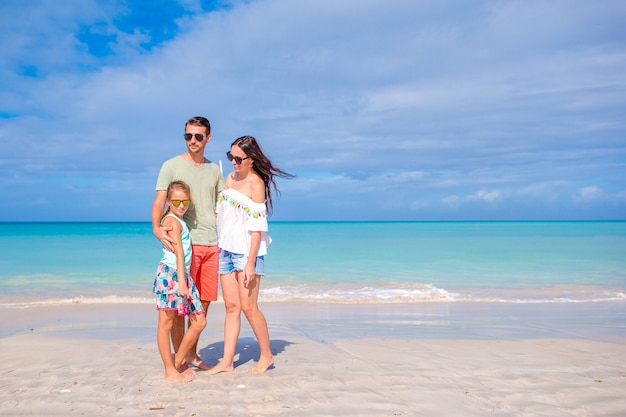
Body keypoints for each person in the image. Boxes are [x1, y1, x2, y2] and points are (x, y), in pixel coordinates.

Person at [209, 135, 293, 374]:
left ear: (251, 159)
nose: (233, 162)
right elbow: (223, 215)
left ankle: (266, 356)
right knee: (231, 306)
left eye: (238, 158)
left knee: (249, 306)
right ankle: (226, 362)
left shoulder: (256, 184)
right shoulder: (230, 177)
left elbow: (258, 229)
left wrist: (250, 262)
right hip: (225, 249)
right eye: (230, 156)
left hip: (247, 252)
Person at [151, 116, 224, 370]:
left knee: (203, 303)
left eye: (198, 136)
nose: (193, 141)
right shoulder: (170, 166)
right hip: (188, 244)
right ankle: (178, 361)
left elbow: (222, 205)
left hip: (212, 244)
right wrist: (156, 229)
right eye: (188, 136)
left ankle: (189, 354)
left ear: (208, 138)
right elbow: (160, 202)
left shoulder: (215, 170)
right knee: (182, 304)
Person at [152, 181, 206, 382]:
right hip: (172, 275)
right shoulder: (172, 221)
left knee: (199, 321)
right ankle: (170, 370)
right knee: (165, 323)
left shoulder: (179, 221)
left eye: (185, 201)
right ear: (168, 201)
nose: (181, 205)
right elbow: (179, 253)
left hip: (181, 275)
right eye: (176, 201)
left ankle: (177, 363)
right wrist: (182, 283)